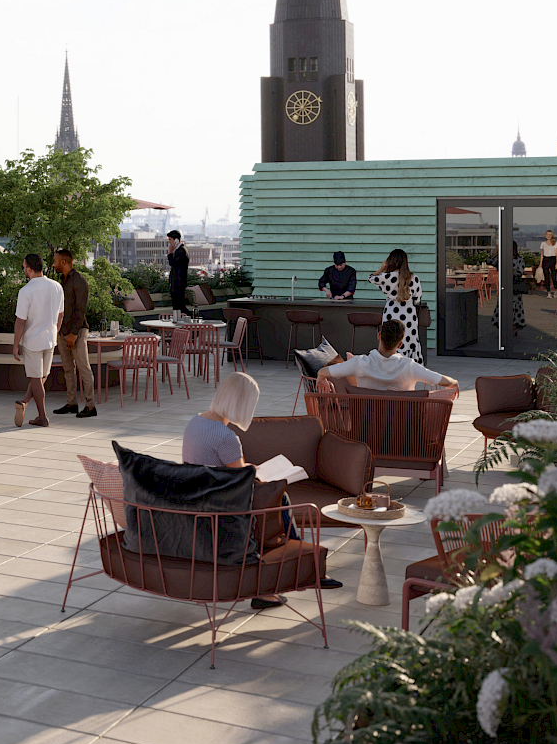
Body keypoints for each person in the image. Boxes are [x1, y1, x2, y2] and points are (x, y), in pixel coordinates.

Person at [181, 371, 342, 599]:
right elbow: (240, 480)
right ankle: (303, 570)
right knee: (279, 499)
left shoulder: (196, 422)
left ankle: (299, 569)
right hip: (222, 506)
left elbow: (220, 468)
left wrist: (249, 469)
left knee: (274, 499)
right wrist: (253, 472)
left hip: (198, 499)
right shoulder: (226, 437)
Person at [319, 320, 458, 391]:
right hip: (402, 429)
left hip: (366, 426)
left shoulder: (359, 363)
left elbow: (323, 372)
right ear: (400, 345)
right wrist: (455, 383)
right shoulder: (409, 366)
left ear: (379, 335)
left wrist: (321, 378)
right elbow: (446, 382)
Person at [11, 252, 65, 427]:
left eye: (24, 267)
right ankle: (25, 403)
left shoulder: (26, 291)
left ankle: (42, 417)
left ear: (28, 268)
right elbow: (61, 315)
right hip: (50, 339)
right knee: (41, 378)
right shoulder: (57, 286)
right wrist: (54, 332)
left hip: (33, 341)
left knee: (36, 379)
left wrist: (15, 344)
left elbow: (20, 321)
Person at [52, 249, 97, 420]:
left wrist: (73, 334)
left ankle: (90, 405)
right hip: (62, 331)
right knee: (68, 369)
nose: (53, 264)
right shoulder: (61, 282)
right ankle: (71, 403)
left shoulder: (80, 282)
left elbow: (81, 311)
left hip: (76, 332)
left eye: (55, 261)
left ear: (63, 262)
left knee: (83, 367)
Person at [369, 249, 426, 365]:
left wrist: (381, 268)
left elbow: (371, 278)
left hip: (391, 311)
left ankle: (390, 366)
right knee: (409, 341)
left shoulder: (387, 277)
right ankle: (410, 367)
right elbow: (418, 298)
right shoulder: (414, 278)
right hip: (409, 313)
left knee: (391, 339)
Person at [167, 230, 190, 316]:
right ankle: (178, 323)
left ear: (176, 240)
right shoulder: (178, 250)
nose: (169, 242)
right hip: (176, 283)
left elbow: (172, 263)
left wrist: (170, 252)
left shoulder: (181, 251)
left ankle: (192, 322)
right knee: (176, 306)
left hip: (179, 283)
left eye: (170, 239)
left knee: (180, 306)